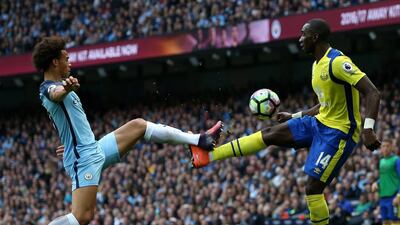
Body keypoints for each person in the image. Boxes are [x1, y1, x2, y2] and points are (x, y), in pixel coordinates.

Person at [188, 18, 381, 225]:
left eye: (303, 34)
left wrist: (368, 129)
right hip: (319, 123)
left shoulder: (337, 63)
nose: (300, 39)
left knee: (313, 189)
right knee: (270, 134)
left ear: (315, 37)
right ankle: (208, 156)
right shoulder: (317, 65)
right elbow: (326, 105)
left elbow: (372, 92)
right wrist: (296, 116)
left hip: (339, 133)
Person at [32, 36, 222, 225]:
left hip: (92, 149)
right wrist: (65, 88)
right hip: (83, 158)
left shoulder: (60, 86)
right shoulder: (48, 89)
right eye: (66, 58)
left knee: (139, 126)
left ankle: (199, 141)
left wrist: (70, 143)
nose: (70, 63)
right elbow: (55, 94)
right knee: (82, 217)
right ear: (55, 62)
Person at [372, 139, 400, 225]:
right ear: (381, 148)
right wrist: (376, 183)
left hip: (394, 196)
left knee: (395, 221)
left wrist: (398, 196)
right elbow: (385, 177)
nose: (385, 148)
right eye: (383, 146)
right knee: (385, 221)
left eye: (388, 146)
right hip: (383, 197)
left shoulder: (396, 160)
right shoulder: (381, 161)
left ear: (391, 147)